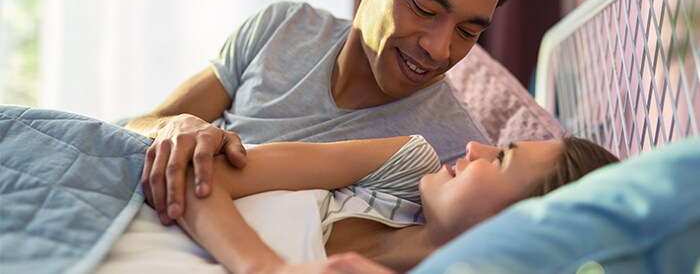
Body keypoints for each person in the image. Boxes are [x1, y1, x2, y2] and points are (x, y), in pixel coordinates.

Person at [125, 0, 526, 225]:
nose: (439, 49)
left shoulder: (458, 160)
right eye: (424, 9)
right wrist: (176, 125)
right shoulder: (284, 28)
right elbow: (138, 126)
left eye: (467, 31)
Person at [175, 134, 619, 273]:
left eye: (501, 159)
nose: (473, 147)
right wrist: (266, 269)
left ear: (520, 226)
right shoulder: (401, 168)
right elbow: (199, 171)